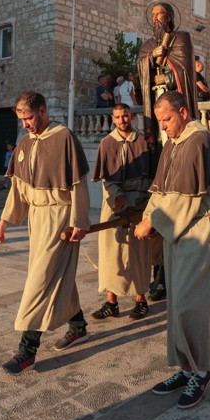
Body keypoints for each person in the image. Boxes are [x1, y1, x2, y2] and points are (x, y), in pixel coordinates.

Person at [134, 91, 210, 410]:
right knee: (178, 301)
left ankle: (202, 370)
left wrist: (152, 224)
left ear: (183, 111)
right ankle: (187, 366)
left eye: (167, 119)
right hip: (182, 229)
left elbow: (185, 199)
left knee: (194, 303)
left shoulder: (198, 141)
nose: (163, 126)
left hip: (201, 228)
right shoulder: (174, 143)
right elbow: (162, 191)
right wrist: (147, 215)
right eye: (160, 120)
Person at [0, 92, 91, 377]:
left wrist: (80, 221)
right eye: (21, 119)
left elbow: (78, 185)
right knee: (54, 276)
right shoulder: (24, 143)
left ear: (42, 110)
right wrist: (3, 221)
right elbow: (18, 189)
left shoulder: (64, 138)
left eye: (28, 117)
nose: (25, 124)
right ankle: (78, 326)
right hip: (36, 220)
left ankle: (27, 351)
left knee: (39, 281)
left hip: (60, 218)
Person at [91, 104, 154, 321]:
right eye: (117, 117)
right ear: (113, 118)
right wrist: (118, 199)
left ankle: (141, 300)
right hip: (114, 203)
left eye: (125, 116)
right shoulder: (106, 143)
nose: (122, 120)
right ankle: (111, 302)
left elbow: (152, 178)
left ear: (132, 116)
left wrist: (141, 200)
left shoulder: (144, 142)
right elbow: (107, 180)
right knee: (111, 253)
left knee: (139, 252)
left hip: (139, 202)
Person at [137, 1, 197, 166]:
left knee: (176, 129)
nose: (155, 18)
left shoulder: (181, 38)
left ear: (169, 17)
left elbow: (186, 70)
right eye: (153, 15)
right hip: (156, 95)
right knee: (159, 133)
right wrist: (151, 57)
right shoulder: (148, 45)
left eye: (159, 14)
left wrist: (167, 78)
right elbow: (140, 66)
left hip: (175, 94)